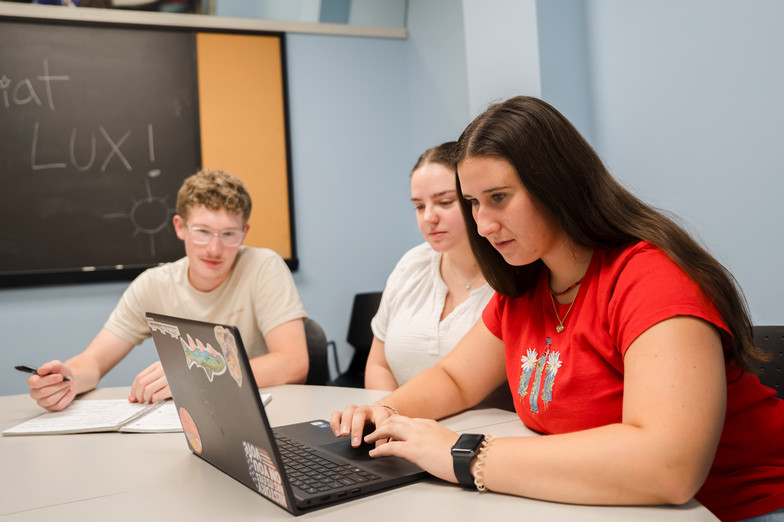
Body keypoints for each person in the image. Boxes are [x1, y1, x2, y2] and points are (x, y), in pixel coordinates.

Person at [330, 97, 784, 522]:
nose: (483, 225)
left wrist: (463, 454)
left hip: (740, 509)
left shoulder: (650, 278)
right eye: (472, 203)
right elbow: (455, 379)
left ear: (556, 185)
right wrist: (386, 412)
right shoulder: (527, 285)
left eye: (499, 197)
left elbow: (668, 465)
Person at [27, 168, 309, 412]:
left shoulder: (263, 266)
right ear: (180, 227)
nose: (214, 248)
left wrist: (195, 373)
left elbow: (293, 363)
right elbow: (94, 360)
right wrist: (68, 379)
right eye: (202, 231)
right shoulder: (154, 284)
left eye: (228, 234)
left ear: (244, 234)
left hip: (264, 414)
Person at [365, 142, 494, 390]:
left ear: (473, 199)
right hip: (400, 421)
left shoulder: (509, 276)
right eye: (419, 206)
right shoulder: (411, 265)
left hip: (485, 427)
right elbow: (378, 366)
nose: (428, 218)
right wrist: (387, 418)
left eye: (445, 202)